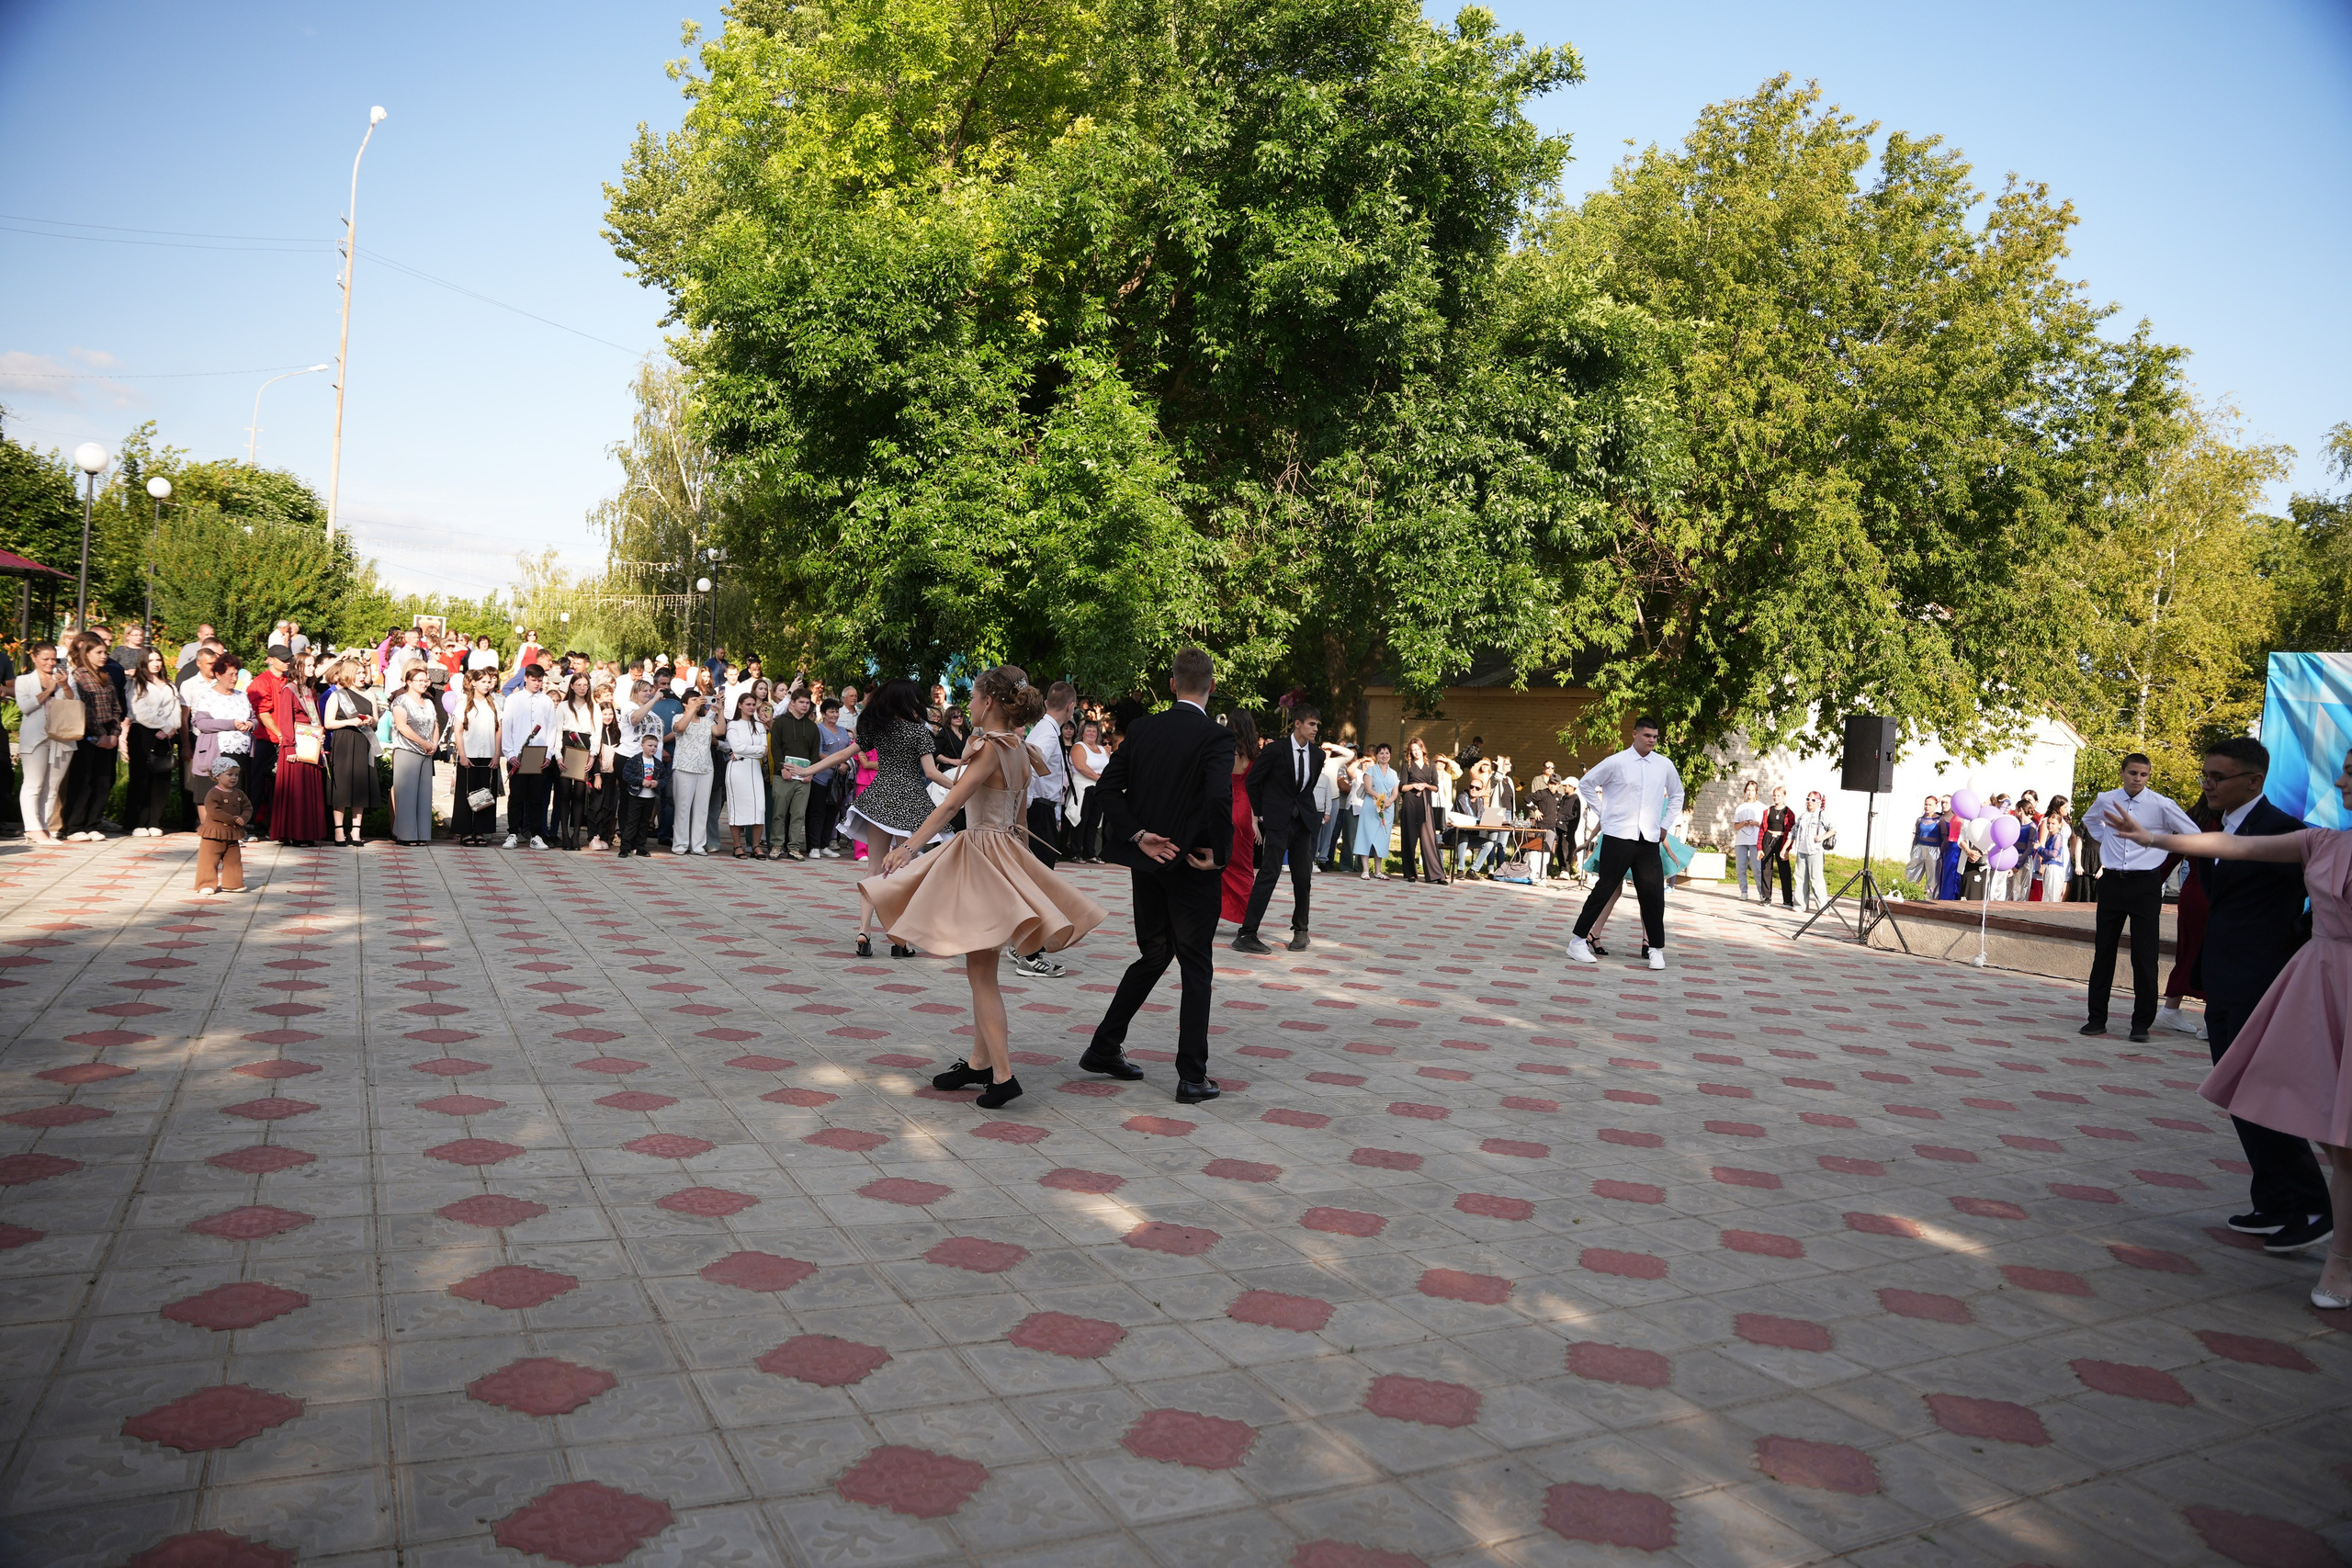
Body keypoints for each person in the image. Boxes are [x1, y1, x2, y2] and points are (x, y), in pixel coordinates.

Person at [2099, 745, 2351, 1304]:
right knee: (2248, 1091)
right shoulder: (2303, 839)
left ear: (2253, 778)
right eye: (2205, 775)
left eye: (2219, 776)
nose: (2341, 780)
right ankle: (2281, 1202)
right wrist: (2153, 839)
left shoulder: (2296, 832)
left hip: (2277, 977)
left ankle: (2311, 1208)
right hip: (2264, 977)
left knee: (2294, 1102)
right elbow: (2223, 848)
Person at [867, 666, 1110, 1109]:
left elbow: (953, 805)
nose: (971, 705)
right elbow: (1017, 818)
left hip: (982, 856)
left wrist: (909, 848)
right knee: (981, 969)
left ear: (990, 701)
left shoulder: (987, 748)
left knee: (982, 975)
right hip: (1002, 854)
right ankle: (980, 1062)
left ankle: (1002, 1074)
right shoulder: (1018, 748)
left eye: (975, 697)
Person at [1083, 648, 1237, 1103]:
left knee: (1154, 953)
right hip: (1192, 863)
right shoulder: (1216, 737)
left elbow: (1107, 789)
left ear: (1173, 684)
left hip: (1149, 862)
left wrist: (1139, 835)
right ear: (1210, 685)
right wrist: (1222, 855)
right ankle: (1191, 1076)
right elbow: (1217, 800)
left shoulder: (1144, 729)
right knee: (1195, 965)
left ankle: (1105, 1046)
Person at [797, 680, 945, 950]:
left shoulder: (878, 728)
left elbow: (844, 753)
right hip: (910, 802)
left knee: (873, 868)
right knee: (905, 872)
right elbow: (933, 773)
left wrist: (809, 771)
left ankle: (864, 932)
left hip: (878, 798)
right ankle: (901, 938)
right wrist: (963, 787)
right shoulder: (920, 733)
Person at [2082, 752, 2199, 1040]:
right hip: (2111, 881)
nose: (2138, 779)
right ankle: (2096, 1018)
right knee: (2103, 950)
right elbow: (2090, 820)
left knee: (2145, 955)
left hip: (2145, 882)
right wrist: (2108, 838)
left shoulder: (2162, 804)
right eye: (2133, 773)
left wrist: (2159, 847)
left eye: (2143, 774)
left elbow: (2192, 833)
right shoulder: (2107, 798)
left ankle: (2141, 1024)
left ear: (2149, 776)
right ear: (2122, 772)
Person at [1566, 716, 1685, 972]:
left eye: (1655, 736)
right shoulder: (1616, 762)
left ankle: (1656, 949)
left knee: (1652, 895)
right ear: (1634, 735)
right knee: (1605, 888)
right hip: (1618, 835)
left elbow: (1677, 794)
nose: (1652, 740)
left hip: (1649, 839)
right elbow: (1586, 784)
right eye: (1647, 736)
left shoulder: (1664, 765)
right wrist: (1604, 814)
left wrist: (1665, 824)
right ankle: (1577, 941)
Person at [1235, 703, 1323, 953]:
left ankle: (1301, 931)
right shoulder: (1275, 750)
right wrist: (1262, 813)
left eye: (1317, 725)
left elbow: (1306, 789)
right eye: (1312, 724)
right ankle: (1246, 933)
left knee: (1303, 877)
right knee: (1268, 875)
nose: (1315, 729)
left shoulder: (1318, 755)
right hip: (1277, 823)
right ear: (1298, 724)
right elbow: (1253, 782)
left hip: (1303, 823)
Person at [1012, 681, 1080, 976]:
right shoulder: (1048, 733)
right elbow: (1027, 765)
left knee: (1037, 882)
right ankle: (1030, 953)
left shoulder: (1045, 728)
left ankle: (1022, 944)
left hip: (1041, 809)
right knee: (1039, 885)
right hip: (1038, 810)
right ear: (1071, 707)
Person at [60, 633, 126, 842]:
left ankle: (92, 823)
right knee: (83, 780)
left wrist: (114, 734)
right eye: (98, 652)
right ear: (86, 654)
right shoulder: (78, 676)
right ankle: (74, 825)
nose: (103, 656)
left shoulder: (107, 676)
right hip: (87, 733)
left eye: (105, 652)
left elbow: (116, 706)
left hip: (109, 733)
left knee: (103, 781)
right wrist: (100, 735)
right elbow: (85, 708)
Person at [264, 653, 328, 848]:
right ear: (298, 667)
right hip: (296, 746)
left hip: (311, 742)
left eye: (313, 665)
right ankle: (294, 833)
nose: (312, 668)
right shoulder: (289, 690)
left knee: (310, 790)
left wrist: (320, 734)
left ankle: (308, 832)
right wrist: (290, 746)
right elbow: (285, 720)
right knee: (297, 790)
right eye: (308, 665)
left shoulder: (309, 689)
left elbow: (315, 717)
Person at [13, 641, 72, 844]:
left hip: (62, 737)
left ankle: (44, 827)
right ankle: (32, 828)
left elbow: (74, 703)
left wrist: (63, 685)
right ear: (34, 658)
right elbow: (26, 706)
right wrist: (50, 689)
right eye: (45, 659)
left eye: (53, 659)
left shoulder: (63, 678)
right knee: (34, 784)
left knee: (52, 786)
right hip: (35, 738)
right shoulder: (24, 681)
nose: (50, 663)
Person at [322, 657, 379, 846]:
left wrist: (371, 720)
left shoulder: (370, 695)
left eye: (363, 673)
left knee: (360, 786)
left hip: (364, 742)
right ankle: (339, 831)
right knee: (342, 787)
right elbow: (328, 723)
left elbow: (376, 722)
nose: (363, 676)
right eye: (359, 673)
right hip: (344, 742)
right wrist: (349, 721)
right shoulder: (337, 695)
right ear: (349, 674)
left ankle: (356, 831)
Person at [124, 648, 181, 838]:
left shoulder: (169, 686)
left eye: (159, 659)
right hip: (142, 733)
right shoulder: (136, 683)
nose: (156, 663)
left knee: (161, 777)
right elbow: (140, 711)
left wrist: (170, 729)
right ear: (143, 662)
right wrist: (163, 727)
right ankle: (138, 822)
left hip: (166, 735)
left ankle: (155, 821)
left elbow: (175, 710)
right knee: (141, 778)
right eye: (151, 660)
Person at [501, 664, 557, 850]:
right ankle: (512, 833)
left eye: (540, 680)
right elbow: (507, 726)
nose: (537, 684)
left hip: (538, 754)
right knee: (516, 795)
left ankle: (536, 834)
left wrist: (548, 753)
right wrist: (508, 753)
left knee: (537, 796)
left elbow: (551, 728)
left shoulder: (547, 701)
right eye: (534, 680)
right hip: (517, 753)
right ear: (526, 678)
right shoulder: (514, 699)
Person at [387, 662, 443, 844]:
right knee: (407, 795)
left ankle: (421, 834)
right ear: (409, 682)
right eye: (419, 680)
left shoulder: (428, 702)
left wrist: (434, 743)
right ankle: (405, 835)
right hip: (407, 751)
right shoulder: (401, 701)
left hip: (426, 753)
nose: (424, 683)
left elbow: (435, 724)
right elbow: (402, 726)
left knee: (424, 796)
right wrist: (423, 742)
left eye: (426, 680)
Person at [767, 687, 821, 861]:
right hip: (783, 775)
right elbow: (775, 748)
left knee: (798, 814)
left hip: (804, 778)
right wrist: (782, 768)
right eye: (801, 702)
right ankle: (776, 845)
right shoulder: (781, 722)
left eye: (807, 703)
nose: (805, 706)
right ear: (793, 703)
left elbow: (814, 752)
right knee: (779, 813)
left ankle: (794, 847)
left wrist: (811, 772)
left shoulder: (813, 727)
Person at [449, 668, 503, 848]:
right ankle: (465, 831)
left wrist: (496, 754)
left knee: (484, 794)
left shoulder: (493, 703)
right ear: (473, 683)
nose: (488, 685)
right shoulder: (463, 703)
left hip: (488, 756)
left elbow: (498, 729)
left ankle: (480, 830)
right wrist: (462, 755)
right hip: (469, 755)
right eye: (484, 681)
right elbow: (458, 731)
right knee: (466, 794)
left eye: (489, 682)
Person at [1219, 711, 1262, 926]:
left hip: (1227, 805)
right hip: (1246, 808)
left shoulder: (1226, 749)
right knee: (1245, 867)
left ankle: (1219, 909)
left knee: (1222, 864)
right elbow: (1256, 790)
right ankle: (1247, 916)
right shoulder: (1255, 753)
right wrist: (1255, 822)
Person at [668, 690, 718, 856]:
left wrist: (721, 710)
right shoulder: (678, 717)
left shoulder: (706, 721)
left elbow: (720, 732)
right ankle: (680, 844)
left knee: (702, 808)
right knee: (683, 807)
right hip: (684, 767)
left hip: (705, 769)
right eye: (693, 699)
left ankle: (698, 845)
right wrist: (693, 709)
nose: (698, 702)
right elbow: (680, 729)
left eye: (699, 699)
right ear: (685, 703)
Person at [552, 671, 598, 851]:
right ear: (572, 686)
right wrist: (558, 755)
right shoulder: (563, 706)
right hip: (566, 746)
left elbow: (596, 731)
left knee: (580, 793)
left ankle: (576, 835)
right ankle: (564, 833)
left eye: (585, 685)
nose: (582, 688)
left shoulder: (593, 707)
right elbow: (557, 731)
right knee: (564, 793)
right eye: (578, 684)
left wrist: (593, 754)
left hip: (584, 748)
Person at [192, 761, 252, 895]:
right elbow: (214, 811)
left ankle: (233, 883)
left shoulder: (239, 794)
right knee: (208, 859)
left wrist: (244, 817)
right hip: (214, 833)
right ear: (217, 776)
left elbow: (248, 807)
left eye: (236, 775)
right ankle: (205, 884)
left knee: (233, 859)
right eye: (229, 774)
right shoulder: (213, 793)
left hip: (232, 833)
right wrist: (233, 819)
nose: (234, 778)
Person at [724, 692, 768, 858]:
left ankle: (756, 845)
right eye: (748, 704)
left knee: (759, 808)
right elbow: (737, 747)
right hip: (737, 770)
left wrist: (744, 752)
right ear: (740, 705)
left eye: (753, 704)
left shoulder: (760, 726)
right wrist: (745, 752)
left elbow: (764, 751)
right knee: (737, 808)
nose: (751, 707)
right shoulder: (733, 725)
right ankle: (737, 846)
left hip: (754, 769)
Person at [1396, 736, 1445, 884]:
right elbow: (1402, 787)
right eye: (1413, 750)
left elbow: (1435, 787)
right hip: (1410, 803)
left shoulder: (1430, 765)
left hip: (1425, 803)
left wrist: (1425, 785)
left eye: (1418, 749)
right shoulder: (1407, 765)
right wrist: (1413, 786)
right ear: (1410, 752)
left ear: (1422, 749)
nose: (1416, 752)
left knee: (1429, 839)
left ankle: (1437, 874)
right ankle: (1411, 873)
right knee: (1409, 838)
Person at [808, 696, 852, 857]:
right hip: (821, 777)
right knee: (818, 812)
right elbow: (819, 753)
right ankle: (814, 846)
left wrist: (846, 765)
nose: (835, 714)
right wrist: (836, 765)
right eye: (831, 711)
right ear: (824, 714)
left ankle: (825, 844)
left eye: (836, 711)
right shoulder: (818, 729)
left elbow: (849, 750)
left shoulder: (842, 731)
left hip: (839, 780)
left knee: (832, 813)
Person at [615, 732, 667, 856]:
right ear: (642, 745)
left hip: (650, 797)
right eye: (650, 745)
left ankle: (641, 847)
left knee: (644, 823)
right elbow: (626, 775)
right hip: (636, 795)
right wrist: (641, 781)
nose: (653, 748)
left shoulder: (658, 764)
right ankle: (625, 847)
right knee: (631, 822)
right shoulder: (634, 760)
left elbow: (664, 778)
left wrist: (657, 783)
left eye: (655, 746)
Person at [1353, 743, 1398, 878]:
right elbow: (1368, 789)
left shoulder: (1393, 773)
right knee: (1366, 835)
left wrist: (1389, 801)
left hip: (1387, 808)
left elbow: (1395, 792)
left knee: (1382, 837)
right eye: (1381, 753)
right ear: (1377, 756)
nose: (1384, 756)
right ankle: (1365, 870)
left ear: (1390, 755)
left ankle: (1378, 871)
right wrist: (1382, 798)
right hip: (1371, 806)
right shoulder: (1371, 770)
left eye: (1387, 753)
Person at [1069, 718, 1109, 862]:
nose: (1092, 733)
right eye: (1089, 731)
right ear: (1083, 733)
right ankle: (1075, 852)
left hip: (1099, 789)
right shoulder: (1079, 746)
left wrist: (1104, 780)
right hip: (1083, 787)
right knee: (1081, 819)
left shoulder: (1103, 749)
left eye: (1094, 731)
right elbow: (1080, 766)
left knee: (1094, 822)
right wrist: (1099, 779)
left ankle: (1090, 853)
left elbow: (1110, 767)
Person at [1791, 789, 1836, 911]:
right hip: (1801, 851)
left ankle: (1823, 907)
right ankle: (1800, 905)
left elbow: (1833, 829)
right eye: (1808, 799)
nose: (1810, 802)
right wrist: (1786, 848)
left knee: (1816, 879)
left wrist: (1821, 837)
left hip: (1815, 851)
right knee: (1800, 879)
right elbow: (1793, 832)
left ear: (1819, 802)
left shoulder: (1822, 815)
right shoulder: (1803, 816)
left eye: (1813, 800)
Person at [2036, 795, 2075, 908]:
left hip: (2065, 855)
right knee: (2051, 888)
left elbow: (2073, 837)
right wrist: (2041, 864)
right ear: (2058, 807)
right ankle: (2051, 908)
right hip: (2052, 858)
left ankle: (2059, 908)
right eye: (2065, 807)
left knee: (2065, 886)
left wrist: (2071, 854)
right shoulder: (2049, 821)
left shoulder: (2066, 822)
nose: (2067, 810)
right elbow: (2042, 842)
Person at [1731, 781, 1767, 900]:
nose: (1750, 793)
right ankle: (1744, 891)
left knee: (1757, 868)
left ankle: (1762, 893)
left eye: (1752, 790)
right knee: (1740, 868)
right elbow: (1736, 826)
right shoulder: (1740, 807)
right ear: (1745, 791)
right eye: (1748, 790)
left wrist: (1755, 823)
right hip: (1741, 841)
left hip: (1755, 841)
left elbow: (1766, 825)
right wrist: (1743, 823)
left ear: (1756, 791)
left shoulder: (1762, 807)